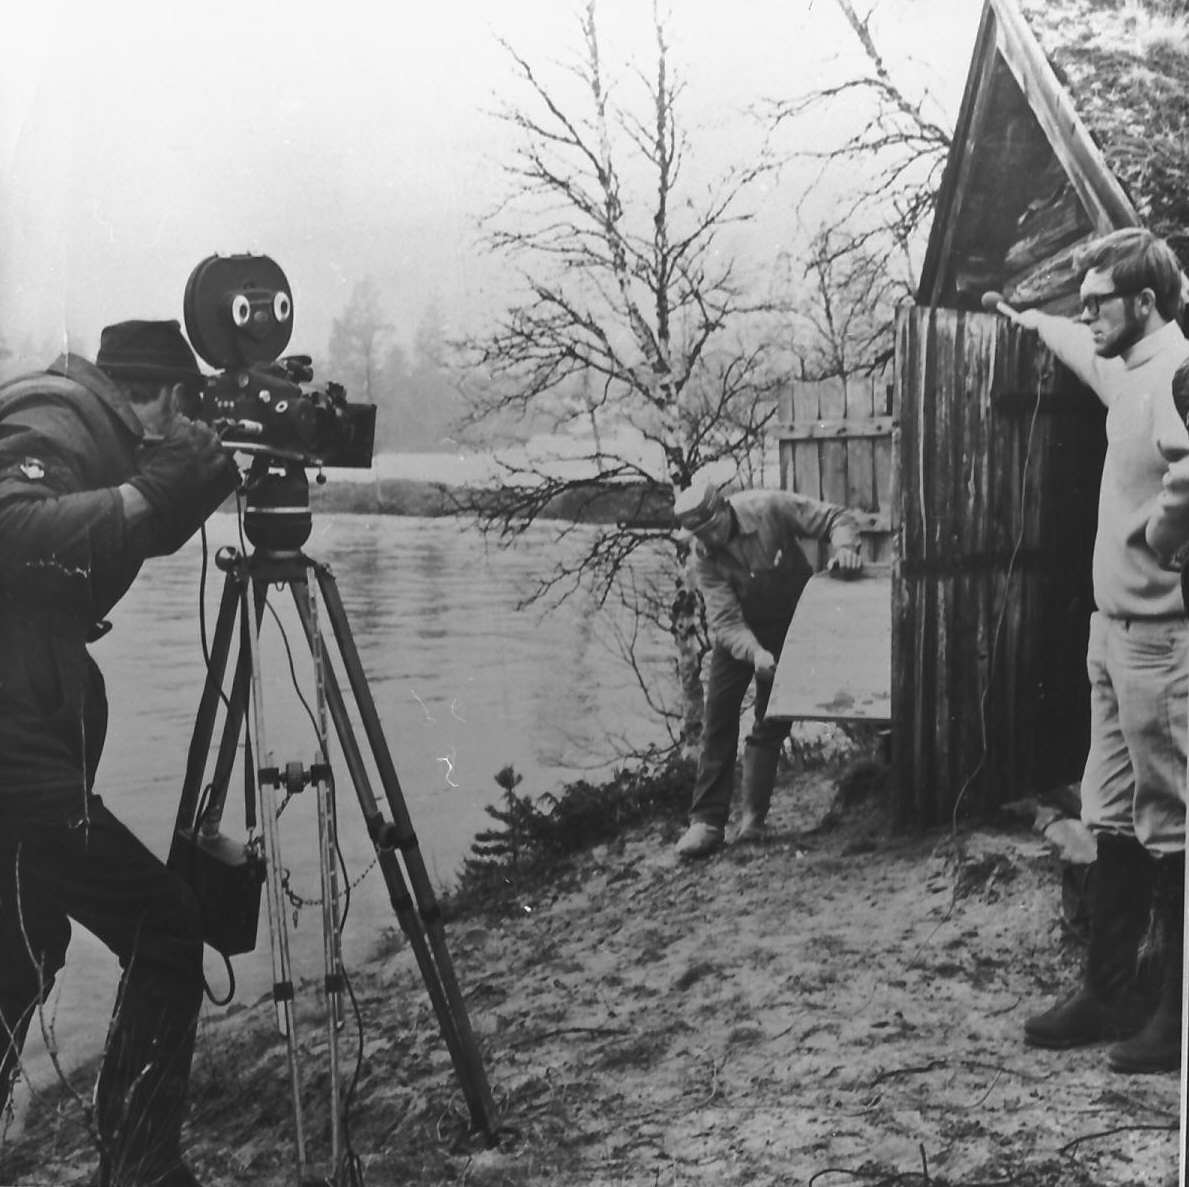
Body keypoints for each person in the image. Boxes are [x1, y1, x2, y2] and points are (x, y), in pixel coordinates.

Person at [0, 321, 239, 1186]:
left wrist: (186, 487)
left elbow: (101, 536)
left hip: (22, 737)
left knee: (17, 948)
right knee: (164, 922)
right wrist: (150, 492)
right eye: (192, 412)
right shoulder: (55, 419)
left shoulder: (81, 426)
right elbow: (15, 529)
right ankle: (142, 1169)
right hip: (15, 751)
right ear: (166, 399)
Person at [1012, 228, 1189, 1075]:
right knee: (1111, 810)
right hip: (1109, 635)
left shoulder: (1178, 376)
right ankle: (1109, 989)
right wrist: (1025, 318)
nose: (1083, 319)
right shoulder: (1125, 363)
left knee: (1176, 824)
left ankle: (1176, 1017)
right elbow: (1081, 356)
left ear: (1145, 303)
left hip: (1162, 642)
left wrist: (1159, 537)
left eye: (1094, 305)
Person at [672, 482, 862, 859]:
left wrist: (844, 550)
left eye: (713, 527)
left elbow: (836, 517)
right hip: (740, 632)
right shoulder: (702, 556)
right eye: (701, 533)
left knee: (771, 719)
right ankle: (707, 822)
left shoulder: (771, 507)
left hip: (792, 622)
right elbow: (724, 621)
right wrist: (755, 653)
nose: (710, 538)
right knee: (718, 719)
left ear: (726, 510)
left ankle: (752, 823)